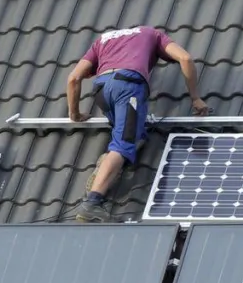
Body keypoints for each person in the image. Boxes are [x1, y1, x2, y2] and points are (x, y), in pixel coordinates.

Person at [65, 26, 209, 222]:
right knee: (123, 145)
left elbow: (73, 78)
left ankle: (106, 165)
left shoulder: (103, 39)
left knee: (134, 135)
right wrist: (195, 98)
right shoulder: (152, 34)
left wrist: (74, 114)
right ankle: (92, 203)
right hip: (128, 87)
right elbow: (185, 58)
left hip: (101, 90)